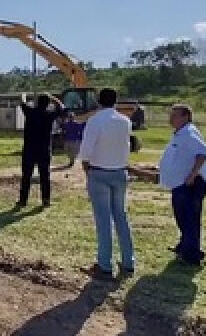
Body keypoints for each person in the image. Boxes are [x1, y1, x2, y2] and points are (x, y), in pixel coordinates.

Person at [79, 88, 134, 279]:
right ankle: (128, 262)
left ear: (98, 101)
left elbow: (86, 150)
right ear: (116, 101)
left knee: (103, 220)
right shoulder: (125, 121)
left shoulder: (95, 121)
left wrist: (87, 169)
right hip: (120, 171)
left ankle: (105, 265)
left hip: (99, 172)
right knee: (121, 216)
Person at [159, 104, 206, 265]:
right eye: (171, 115)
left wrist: (193, 174)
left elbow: (203, 152)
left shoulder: (189, 133)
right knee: (182, 217)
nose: (171, 119)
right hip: (180, 184)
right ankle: (184, 246)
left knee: (189, 218)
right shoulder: (180, 134)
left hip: (191, 184)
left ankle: (192, 255)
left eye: (175, 115)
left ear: (186, 116)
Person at [17, 94, 64, 208]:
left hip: (29, 149)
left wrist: (24, 96)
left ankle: (23, 200)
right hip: (44, 149)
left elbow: (22, 102)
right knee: (45, 176)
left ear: (37, 102)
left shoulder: (30, 112)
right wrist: (54, 98)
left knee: (26, 176)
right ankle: (46, 200)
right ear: (48, 104)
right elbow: (62, 108)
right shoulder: (49, 114)